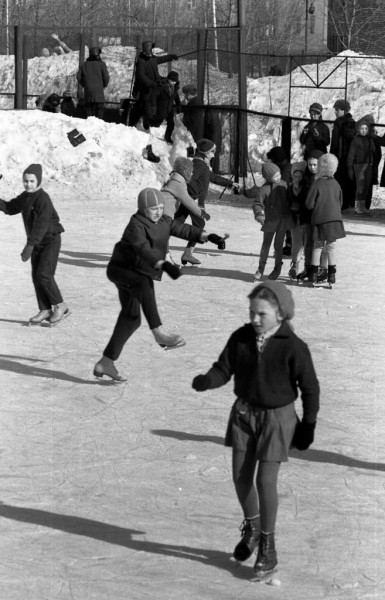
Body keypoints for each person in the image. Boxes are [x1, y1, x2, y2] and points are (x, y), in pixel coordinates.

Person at [191, 280, 320, 580]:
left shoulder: (293, 347)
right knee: (239, 477)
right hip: (244, 414)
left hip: (277, 418)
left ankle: (267, 545)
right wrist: (208, 380)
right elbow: (224, 368)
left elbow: (310, 388)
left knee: (265, 480)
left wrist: (309, 424)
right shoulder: (241, 338)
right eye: (251, 312)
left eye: (261, 314)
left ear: (281, 314)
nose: (254, 319)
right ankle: (252, 525)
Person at [93, 188, 227, 382]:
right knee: (143, 282)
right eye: (153, 208)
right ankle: (158, 334)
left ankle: (106, 362)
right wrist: (162, 263)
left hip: (136, 270)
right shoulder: (136, 225)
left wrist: (208, 236)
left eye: (161, 208)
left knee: (132, 318)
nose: (157, 212)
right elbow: (142, 248)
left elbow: (184, 229)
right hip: (122, 269)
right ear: (142, 209)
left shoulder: (163, 221)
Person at [0, 164, 69, 326]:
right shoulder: (25, 197)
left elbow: (41, 225)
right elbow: (9, 208)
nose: (28, 184)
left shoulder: (42, 199)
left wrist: (30, 245)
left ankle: (61, 305)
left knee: (44, 274)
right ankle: (45, 309)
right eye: (25, 181)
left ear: (38, 181)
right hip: (37, 242)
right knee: (36, 277)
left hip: (51, 240)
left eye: (32, 181)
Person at [174, 138, 237, 266]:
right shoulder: (198, 164)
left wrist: (230, 183)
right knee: (198, 225)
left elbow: (212, 177)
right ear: (206, 153)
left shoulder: (203, 164)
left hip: (191, 199)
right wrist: (193, 194)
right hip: (192, 201)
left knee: (174, 224)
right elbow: (189, 179)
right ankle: (186, 252)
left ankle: (157, 242)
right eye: (213, 151)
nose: (214, 154)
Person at [305, 153, 346, 287]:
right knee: (331, 247)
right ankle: (331, 276)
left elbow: (309, 204)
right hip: (335, 220)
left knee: (317, 246)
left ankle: (313, 275)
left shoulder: (317, 184)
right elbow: (340, 203)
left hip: (320, 219)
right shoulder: (337, 184)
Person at [161, 156, 210, 264]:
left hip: (163, 211)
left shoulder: (175, 179)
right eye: (191, 172)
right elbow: (188, 201)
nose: (192, 174)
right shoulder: (178, 183)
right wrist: (201, 213)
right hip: (164, 212)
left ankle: (168, 257)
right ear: (185, 171)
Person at [252, 163, 295, 281]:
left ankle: (277, 268)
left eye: (279, 174)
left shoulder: (284, 185)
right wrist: (259, 215)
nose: (278, 177)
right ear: (268, 177)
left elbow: (290, 199)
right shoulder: (263, 189)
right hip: (270, 221)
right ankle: (260, 269)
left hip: (282, 221)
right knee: (266, 244)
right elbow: (257, 203)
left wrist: (294, 206)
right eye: (275, 176)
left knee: (278, 246)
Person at [129, 40, 178, 131]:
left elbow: (161, 59)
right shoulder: (141, 61)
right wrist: (152, 84)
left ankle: (147, 121)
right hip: (146, 88)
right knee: (144, 105)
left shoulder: (152, 58)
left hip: (154, 85)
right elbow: (141, 76)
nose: (152, 51)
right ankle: (137, 124)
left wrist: (171, 57)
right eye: (151, 49)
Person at [295, 149, 326, 283]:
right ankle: (308, 268)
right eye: (310, 165)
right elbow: (301, 198)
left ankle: (320, 269)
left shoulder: (325, 178)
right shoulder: (305, 178)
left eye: (315, 165)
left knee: (319, 243)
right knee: (308, 243)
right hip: (307, 216)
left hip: (320, 216)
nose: (312, 167)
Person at [346, 115, 378, 216]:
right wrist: (350, 167)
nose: (364, 130)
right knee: (360, 186)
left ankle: (363, 205)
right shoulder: (356, 141)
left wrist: (373, 144)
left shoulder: (369, 140)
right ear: (358, 129)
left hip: (368, 165)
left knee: (366, 186)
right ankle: (357, 206)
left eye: (366, 128)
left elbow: (373, 151)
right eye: (362, 128)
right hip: (358, 165)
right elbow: (351, 155)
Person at [330, 99, 356, 211]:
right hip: (339, 156)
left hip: (344, 157)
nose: (335, 112)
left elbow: (351, 139)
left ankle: (345, 204)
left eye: (337, 110)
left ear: (343, 110)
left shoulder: (349, 122)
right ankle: (342, 204)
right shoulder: (339, 122)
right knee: (341, 181)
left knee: (344, 182)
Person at [266, 146, 292, 256]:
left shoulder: (286, 171)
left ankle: (290, 245)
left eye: (273, 161)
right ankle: (290, 245)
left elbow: (282, 185)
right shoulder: (284, 169)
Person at [287, 161, 307, 279]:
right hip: (294, 219)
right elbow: (286, 200)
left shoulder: (306, 187)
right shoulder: (289, 188)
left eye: (300, 176)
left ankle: (308, 266)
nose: (298, 178)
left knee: (306, 243)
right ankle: (295, 264)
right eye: (295, 176)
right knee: (296, 243)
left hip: (305, 219)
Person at [148, 71, 181, 144]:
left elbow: (175, 96)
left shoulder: (175, 87)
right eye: (172, 80)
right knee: (156, 123)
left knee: (171, 124)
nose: (173, 83)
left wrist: (178, 105)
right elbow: (153, 96)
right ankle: (146, 127)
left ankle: (167, 137)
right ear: (168, 79)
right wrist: (153, 107)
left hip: (169, 108)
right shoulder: (161, 86)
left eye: (175, 81)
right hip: (160, 108)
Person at [77, 47, 110, 119]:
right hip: (99, 91)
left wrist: (85, 84)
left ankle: (90, 123)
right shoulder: (101, 64)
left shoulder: (84, 64)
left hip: (88, 91)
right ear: (98, 55)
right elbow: (106, 77)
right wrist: (104, 85)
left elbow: (79, 77)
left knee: (89, 110)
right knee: (99, 110)